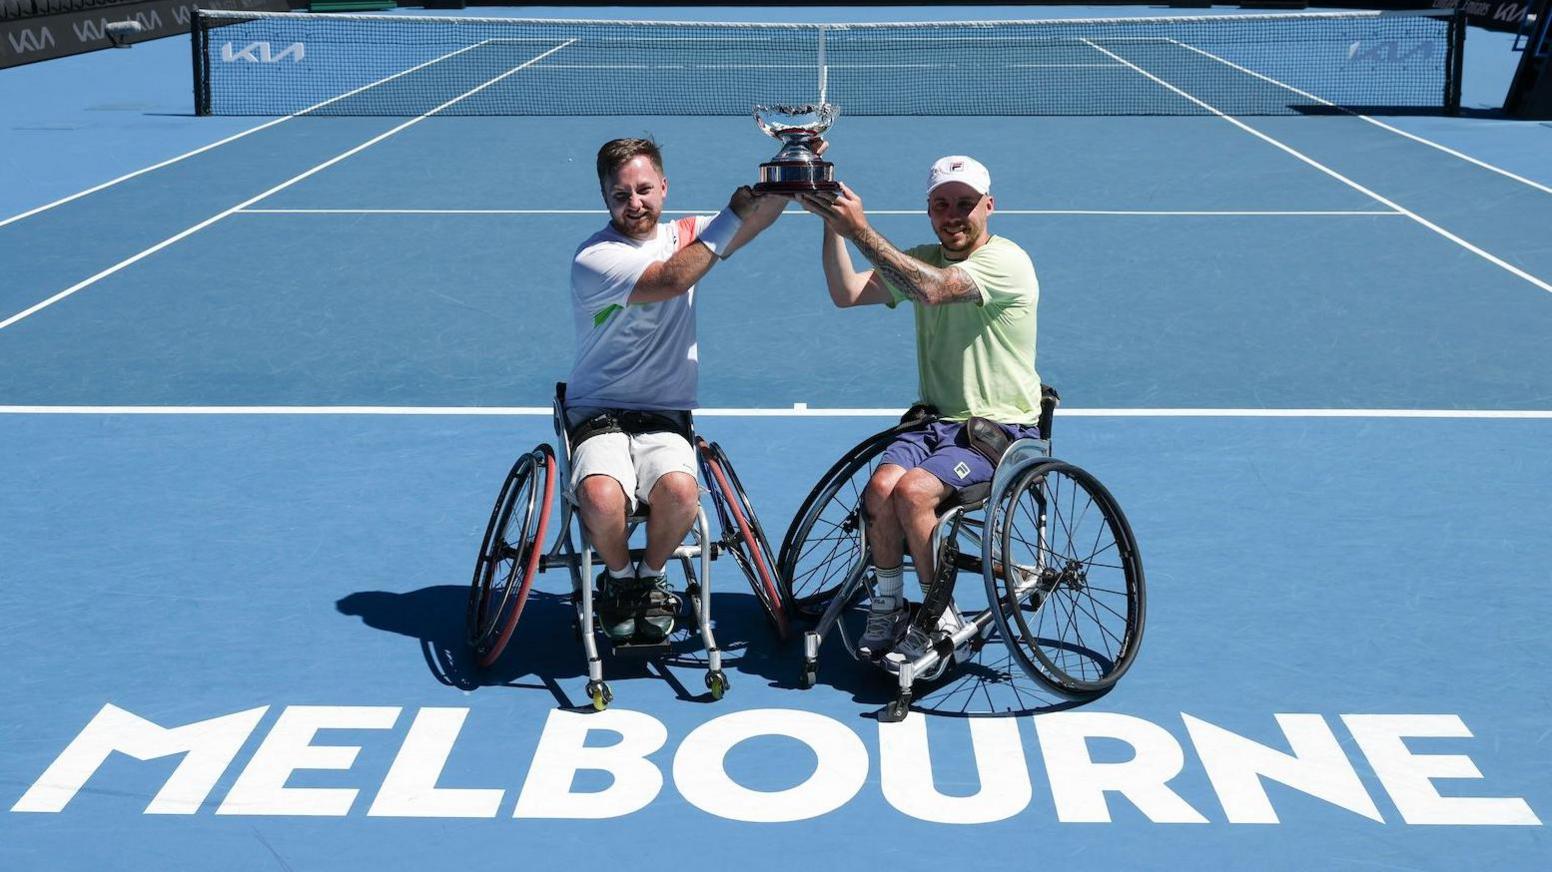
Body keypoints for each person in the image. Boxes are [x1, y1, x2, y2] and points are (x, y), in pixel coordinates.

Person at [796, 155, 1042, 668]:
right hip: (934, 424)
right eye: (941, 204)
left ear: (989, 206)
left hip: (998, 430)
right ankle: (887, 604)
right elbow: (846, 293)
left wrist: (859, 227)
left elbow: (931, 290)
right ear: (929, 211)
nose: (954, 214)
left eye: (965, 204)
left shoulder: (1007, 262)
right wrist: (830, 225)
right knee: (880, 490)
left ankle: (938, 613)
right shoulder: (924, 256)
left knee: (912, 492)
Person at [568, 137, 784, 644]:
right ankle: (620, 579)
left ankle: (650, 576)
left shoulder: (685, 233)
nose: (634, 203)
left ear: (664, 188)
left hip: (665, 414)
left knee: (683, 494)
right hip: (598, 411)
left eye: (644, 189)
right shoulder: (595, 257)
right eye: (621, 194)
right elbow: (669, 280)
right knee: (601, 497)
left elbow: (763, 214)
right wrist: (731, 214)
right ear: (605, 197)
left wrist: (798, 160)